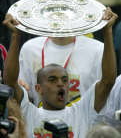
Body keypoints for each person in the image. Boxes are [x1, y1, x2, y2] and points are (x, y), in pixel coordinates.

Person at [3, 8, 118, 138]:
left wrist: (108, 32)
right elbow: (10, 82)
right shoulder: (29, 112)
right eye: (52, 80)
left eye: (64, 80)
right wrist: (16, 36)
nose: (60, 84)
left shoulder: (81, 112)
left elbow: (108, 81)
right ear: (38, 88)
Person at [18, 0, 105, 106]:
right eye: (53, 10)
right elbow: (25, 96)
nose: (60, 16)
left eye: (66, 11)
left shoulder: (97, 49)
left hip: (83, 121)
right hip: (39, 120)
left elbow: (105, 93)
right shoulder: (30, 48)